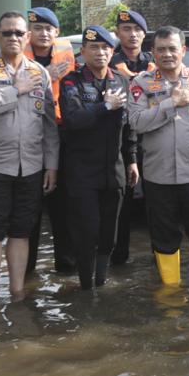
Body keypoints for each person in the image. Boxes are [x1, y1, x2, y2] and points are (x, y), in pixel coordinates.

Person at [0, 12, 59, 301]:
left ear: (27, 37)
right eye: (8, 33)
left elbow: (48, 124)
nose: (14, 38)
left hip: (30, 166)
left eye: (19, 33)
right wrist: (13, 90)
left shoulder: (39, 73)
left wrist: (51, 165)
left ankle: (17, 293)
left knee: (21, 232)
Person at [129, 26, 189, 285]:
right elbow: (136, 122)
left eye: (173, 48)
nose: (167, 54)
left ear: (183, 50)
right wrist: (171, 102)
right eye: (161, 49)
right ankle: (171, 293)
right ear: (152, 53)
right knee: (163, 237)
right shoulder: (141, 84)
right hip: (157, 176)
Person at [59, 26, 139, 289]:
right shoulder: (72, 81)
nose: (100, 52)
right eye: (94, 47)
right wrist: (104, 106)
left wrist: (132, 160)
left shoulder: (121, 81)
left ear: (112, 51)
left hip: (113, 169)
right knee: (86, 232)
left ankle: (101, 283)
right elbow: (72, 119)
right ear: (83, 52)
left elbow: (129, 128)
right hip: (82, 171)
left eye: (105, 47)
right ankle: (85, 287)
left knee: (109, 235)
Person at [23, 7, 76, 274]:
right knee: (28, 209)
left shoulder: (69, 57)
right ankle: (26, 271)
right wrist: (48, 76)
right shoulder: (16, 58)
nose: (43, 33)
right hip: (28, 136)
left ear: (57, 32)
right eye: (37, 28)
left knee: (63, 209)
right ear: (29, 32)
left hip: (63, 134)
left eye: (48, 29)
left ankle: (66, 268)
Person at [108, 8, 154, 266]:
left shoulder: (155, 61)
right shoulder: (108, 61)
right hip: (121, 142)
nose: (132, 34)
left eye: (137, 30)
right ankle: (118, 258)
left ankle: (161, 256)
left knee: (157, 203)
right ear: (118, 32)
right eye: (126, 29)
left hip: (153, 140)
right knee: (121, 204)